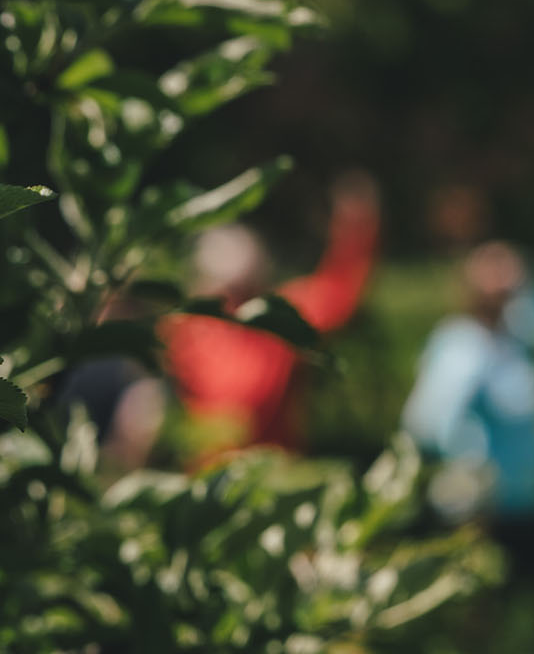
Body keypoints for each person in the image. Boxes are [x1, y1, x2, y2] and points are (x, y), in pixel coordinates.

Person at [401, 241, 534, 653]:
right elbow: (426, 419)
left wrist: (533, 274)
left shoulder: (515, 338)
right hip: (484, 503)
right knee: (478, 598)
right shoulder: (463, 345)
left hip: (528, 498)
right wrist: (467, 464)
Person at [160, 171, 380, 466]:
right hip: (211, 482)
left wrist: (356, 225)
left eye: (239, 293)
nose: (231, 305)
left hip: (269, 477)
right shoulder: (187, 330)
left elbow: (339, 292)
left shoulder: (274, 318)